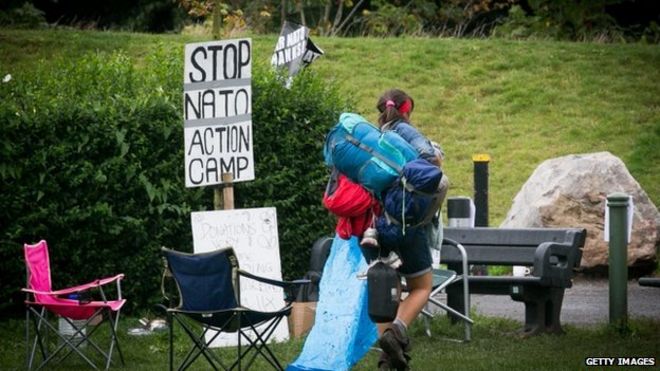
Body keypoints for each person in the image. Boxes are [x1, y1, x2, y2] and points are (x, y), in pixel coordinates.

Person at [363, 88, 444, 371]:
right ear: (406, 109)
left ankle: (388, 359)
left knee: (388, 288)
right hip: (405, 224)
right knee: (422, 286)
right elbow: (431, 162)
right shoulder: (406, 132)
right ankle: (397, 331)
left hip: (376, 227)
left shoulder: (373, 139)